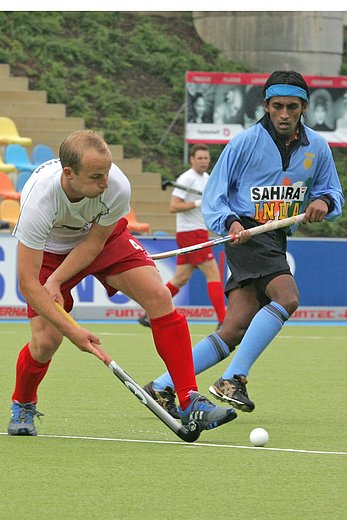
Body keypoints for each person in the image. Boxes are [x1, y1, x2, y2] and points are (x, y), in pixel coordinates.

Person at [7, 130, 237, 436]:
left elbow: (94, 244)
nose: (105, 183)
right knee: (46, 342)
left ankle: (187, 399)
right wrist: (73, 330)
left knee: (157, 295)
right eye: (96, 177)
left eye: (107, 172)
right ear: (69, 174)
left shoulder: (115, 185)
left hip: (99, 240)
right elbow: (26, 282)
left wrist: (58, 280)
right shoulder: (39, 200)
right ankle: (23, 403)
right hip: (49, 250)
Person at [143, 70, 344, 418]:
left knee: (234, 328)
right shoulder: (244, 143)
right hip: (246, 232)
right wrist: (231, 222)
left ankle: (162, 387)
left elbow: (332, 192)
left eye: (292, 107)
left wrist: (323, 203)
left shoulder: (318, 147)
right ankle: (233, 378)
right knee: (288, 296)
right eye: (277, 106)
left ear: (303, 107)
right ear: (266, 106)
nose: (284, 114)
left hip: (275, 236)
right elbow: (215, 196)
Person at [138, 144, 226, 332]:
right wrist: (197, 202)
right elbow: (173, 206)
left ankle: (148, 313)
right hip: (190, 233)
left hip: (198, 232)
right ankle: (223, 321)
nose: (203, 161)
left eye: (206, 158)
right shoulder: (186, 178)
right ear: (192, 159)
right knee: (213, 274)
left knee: (180, 278)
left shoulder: (206, 179)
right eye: (200, 158)